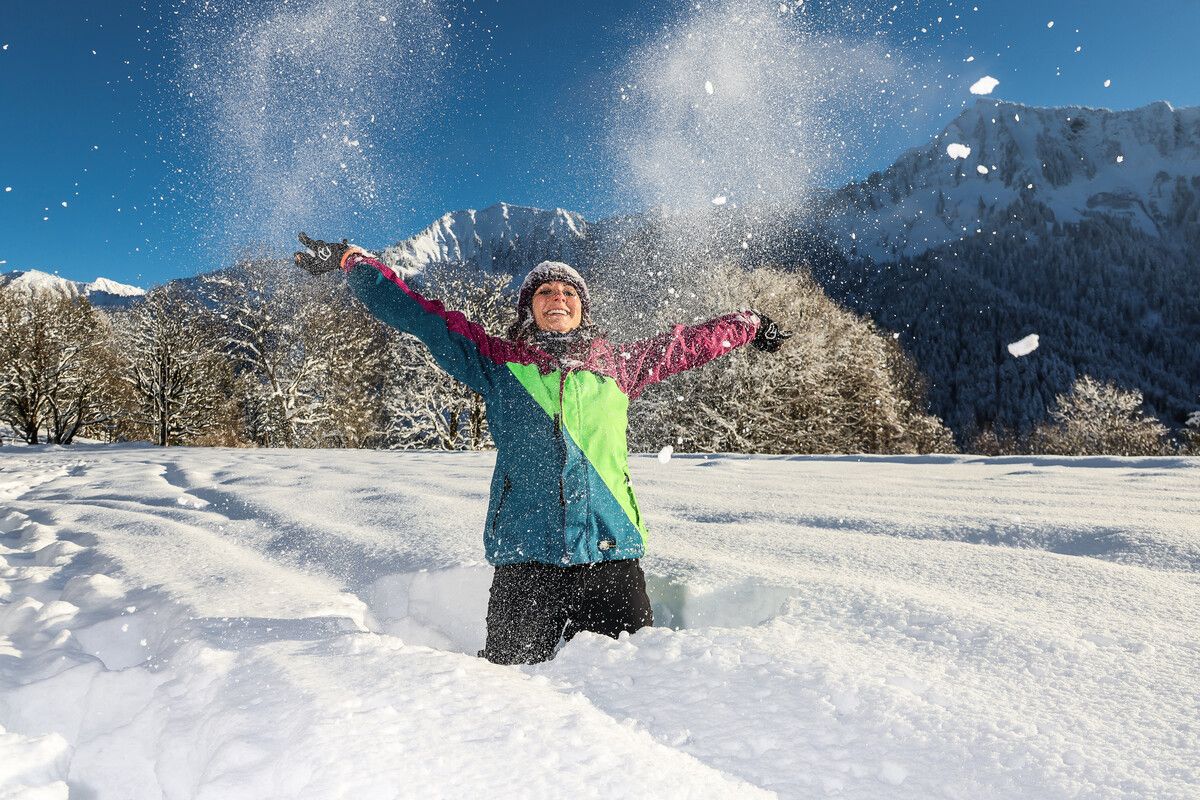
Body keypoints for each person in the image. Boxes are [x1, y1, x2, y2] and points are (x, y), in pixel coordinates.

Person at [294, 233, 791, 664]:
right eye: (545, 291)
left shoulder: (619, 368)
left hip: (611, 557)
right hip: (526, 562)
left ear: (583, 309)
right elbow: (422, 316)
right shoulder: (497, 364)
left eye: (569, 292)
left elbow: (688, 344)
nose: (558, 297)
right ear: (528, 308)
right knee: (510, 691)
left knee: (635, 683)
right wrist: (352, 263)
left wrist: (749, 323)